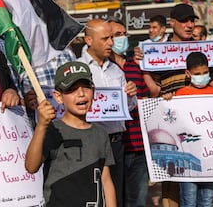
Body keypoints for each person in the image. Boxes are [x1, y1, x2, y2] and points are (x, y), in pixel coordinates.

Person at [135, 3, 213, 207]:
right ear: (172, 23)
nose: (189, 25)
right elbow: (154, 91)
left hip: (202, 132)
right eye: (184, 21)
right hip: (173, 129)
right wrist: (143, 66)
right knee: (172, 185)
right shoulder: (156, 52)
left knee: (203, 188)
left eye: (192, 21)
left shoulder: (203, 51)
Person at [25, 61, 116, 206]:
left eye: (86, 87)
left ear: (94, 91)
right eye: (72, 89)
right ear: (58, 97)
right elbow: (31, 166)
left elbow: (105, 179)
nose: (80, 94)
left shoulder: (101, 134)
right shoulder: (51, 130)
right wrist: (41, 125)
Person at [78, 19, 138, 207]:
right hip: (89, 144)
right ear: (88, 39)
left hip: (116, 143)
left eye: (112, 37)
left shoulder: (116, 70)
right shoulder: (77, 68)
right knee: (91, 196)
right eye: (105, 38)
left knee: (116, 197)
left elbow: (127, 107)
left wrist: (129, 95)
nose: (111, 43)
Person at [108, 17, 157, 207]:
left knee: (136, 199)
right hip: (113, 146)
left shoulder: (135, 65)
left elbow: (151, 94)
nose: (122, 39)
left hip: (138, 145)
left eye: (124, 34)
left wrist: (144, 68)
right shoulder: (101, 70)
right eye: (116, 35)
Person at [173, 51, 213, 207]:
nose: (202, 76)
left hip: (210, 158)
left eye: (205, 72)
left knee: (207, 200)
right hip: (187, 159)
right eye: (197, 73)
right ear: (188, 73)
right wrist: (168, 101)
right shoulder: (180, 95)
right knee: (189, 200)